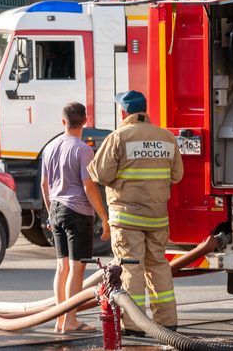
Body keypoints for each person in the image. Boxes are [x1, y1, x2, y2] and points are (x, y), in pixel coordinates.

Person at [87, 90, 183, 337]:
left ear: (123, 112)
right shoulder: (166, 138)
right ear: (144, 110)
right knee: (159, 266)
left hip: (127, 218)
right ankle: (167, 323)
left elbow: (99, 174)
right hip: (157, 217)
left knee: (131, 268)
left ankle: (134, 325)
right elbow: (177, 175)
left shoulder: (118, 137)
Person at [41, 102, 111, 333]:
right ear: (85, 121)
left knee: (62, 267)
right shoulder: (83, 149)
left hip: (57, 210)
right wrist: (104, 217)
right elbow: (89, 187)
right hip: (77, 213)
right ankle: (70, 320)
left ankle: (59, 320)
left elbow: (44, 184)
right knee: (77, 267)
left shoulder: (49, 147)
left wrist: (51, 212)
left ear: (63, 122)